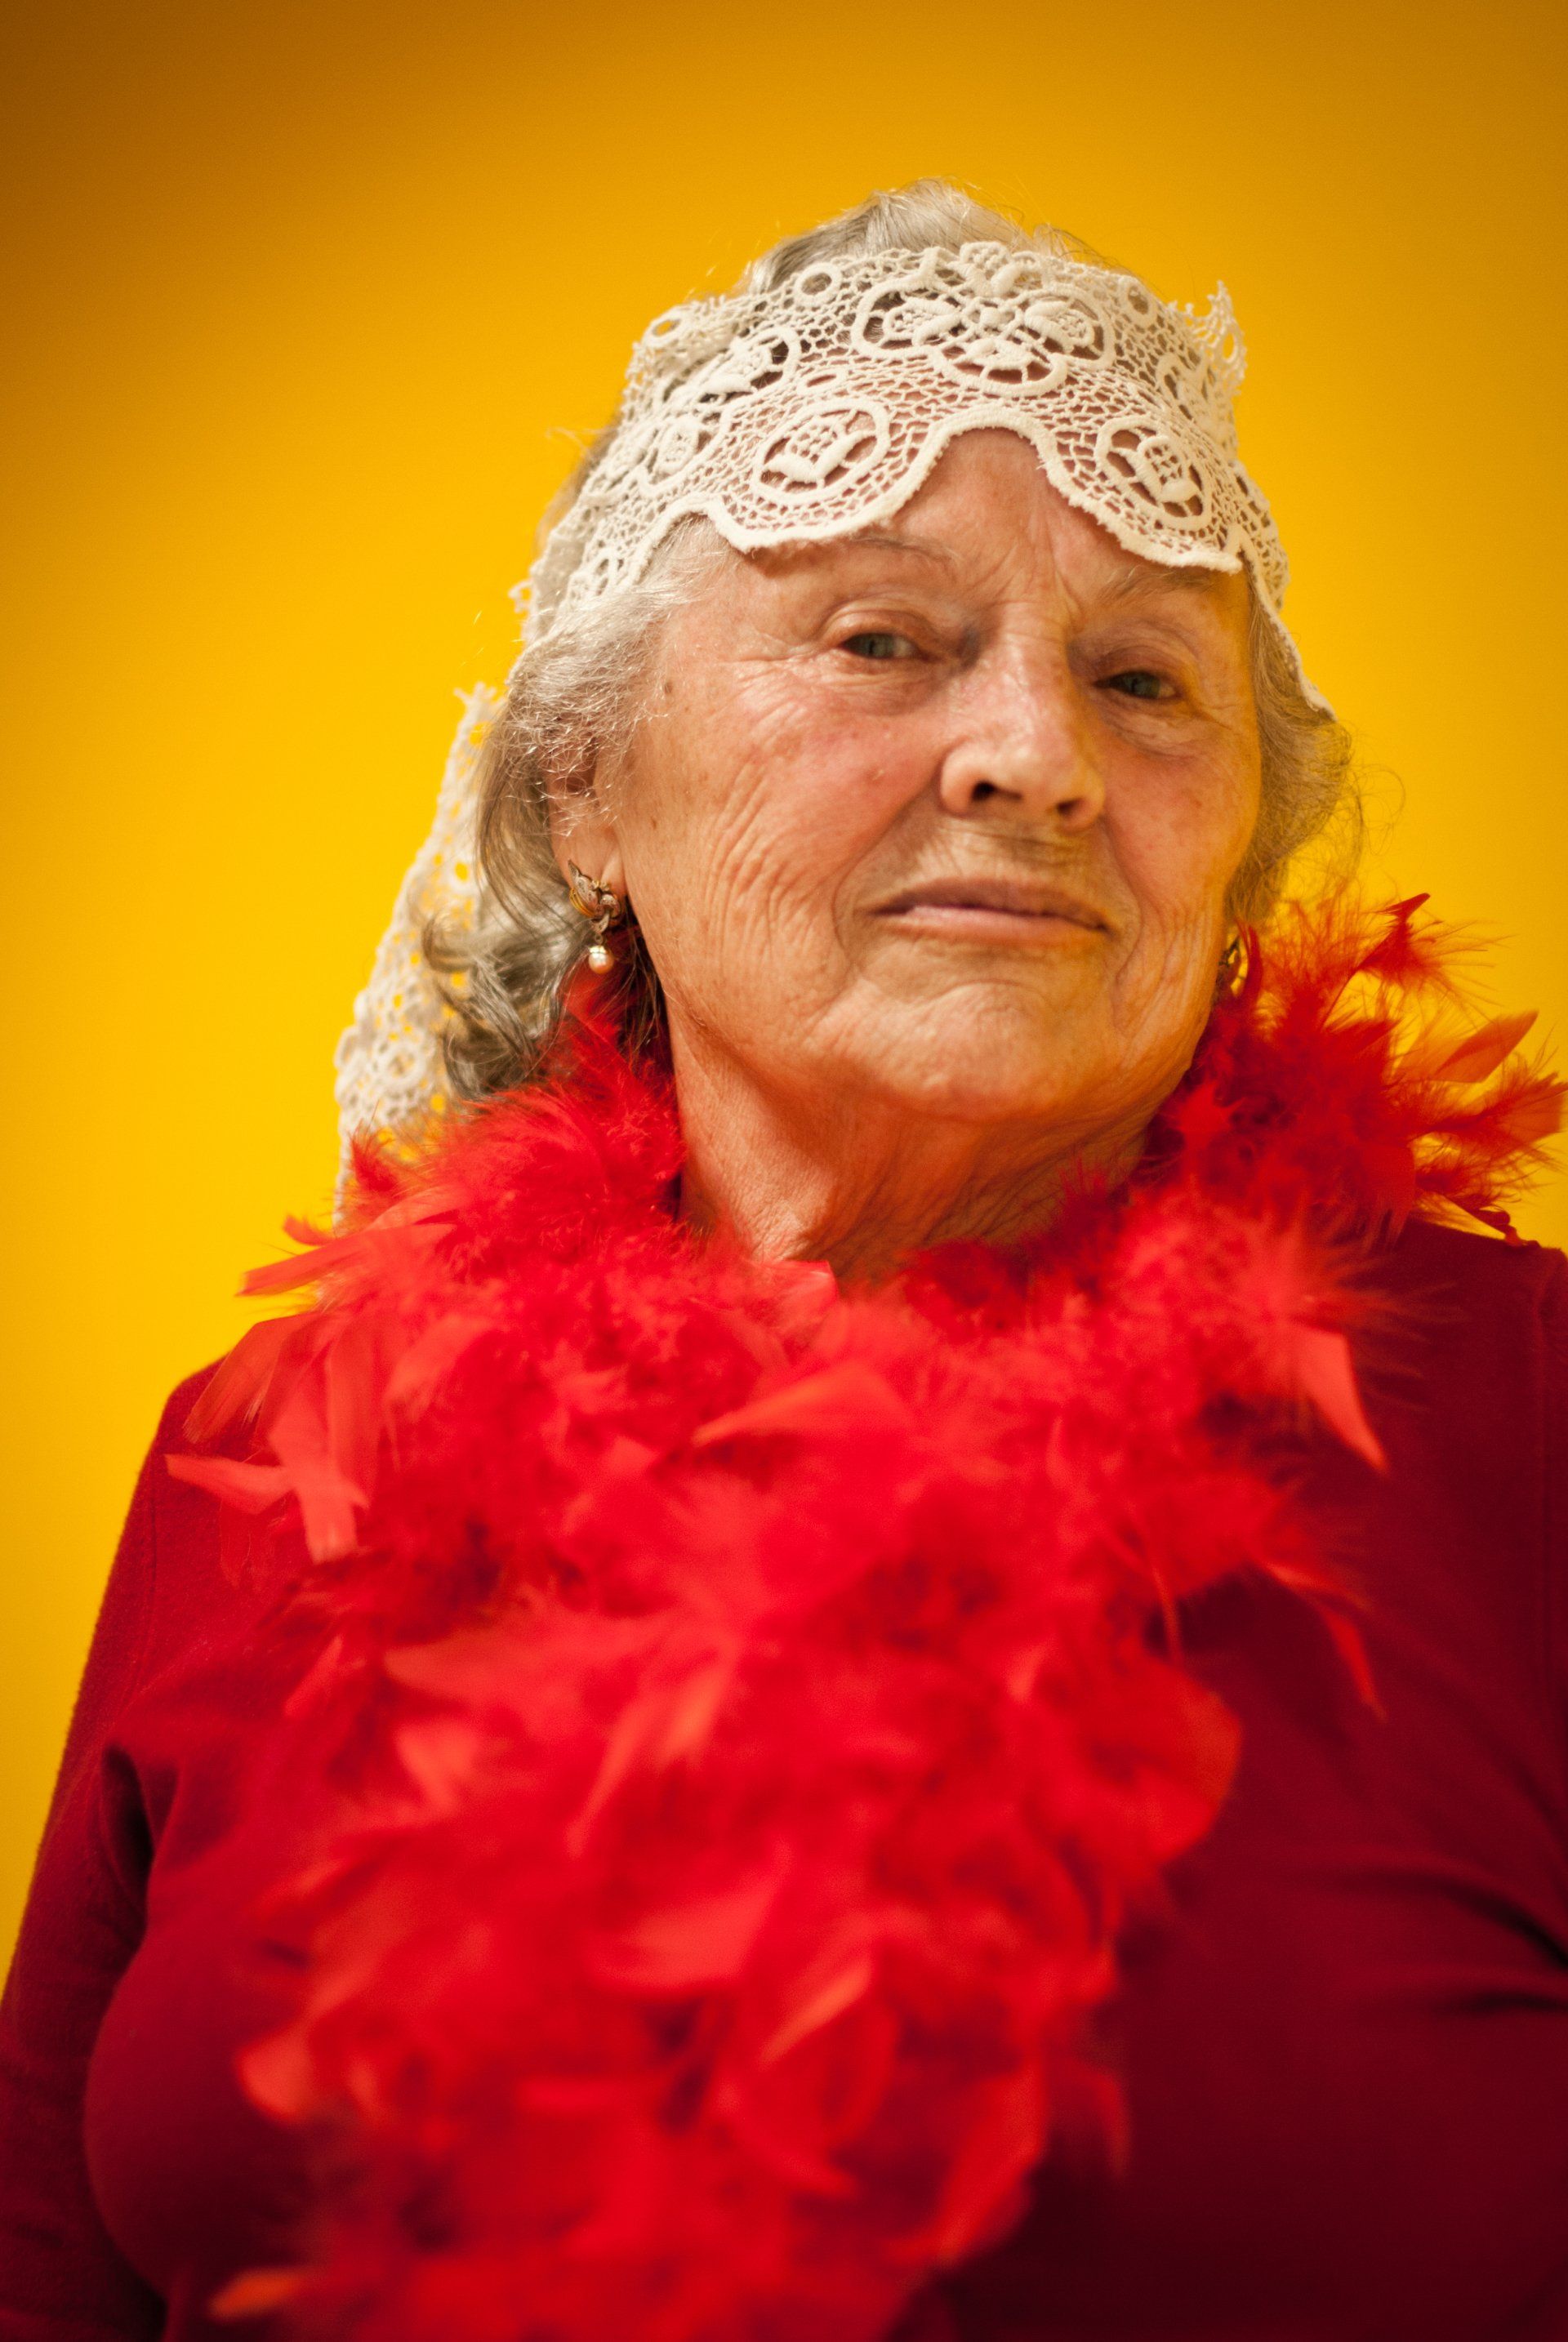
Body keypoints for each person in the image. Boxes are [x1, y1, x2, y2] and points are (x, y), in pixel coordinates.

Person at [1, 181, 1564, 2342]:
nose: (1039, 757)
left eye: (1143, 679)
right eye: (881, 640)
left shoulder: (1526, 1422)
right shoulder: (269, 1459)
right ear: (585, 790)